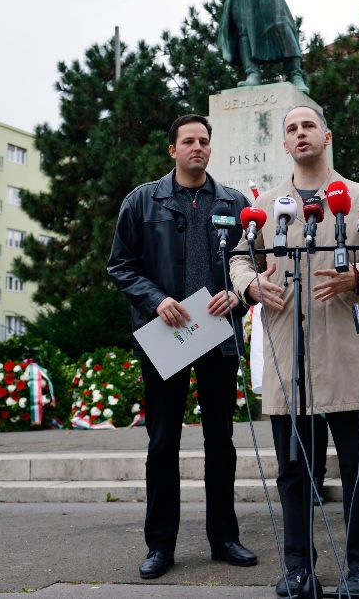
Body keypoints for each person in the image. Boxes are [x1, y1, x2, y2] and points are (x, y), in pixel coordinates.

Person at [230, 105, 359, 597]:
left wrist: (358, 278)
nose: (300, 134)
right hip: (289, 354)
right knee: (293, 471)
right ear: (284, 143)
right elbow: (241, 260)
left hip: (343, 351)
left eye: (308, 126)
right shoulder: (264, 205)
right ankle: (298, 568)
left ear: (326, 136)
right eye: (291, 129)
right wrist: (250, 288)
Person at [107, 114, 257, 579]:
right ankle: (160, 546)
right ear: (172, 149)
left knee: (221, 441)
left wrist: (238, 293)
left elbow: (249, 262)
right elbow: (121, 266)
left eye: (204, 141)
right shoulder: (142, 201)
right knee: (162, 442)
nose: (197, 147)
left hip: (215, 333)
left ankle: (224, 538)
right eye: (188, 141)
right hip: (166, 334)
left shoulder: (232, 202)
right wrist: (156, 301)